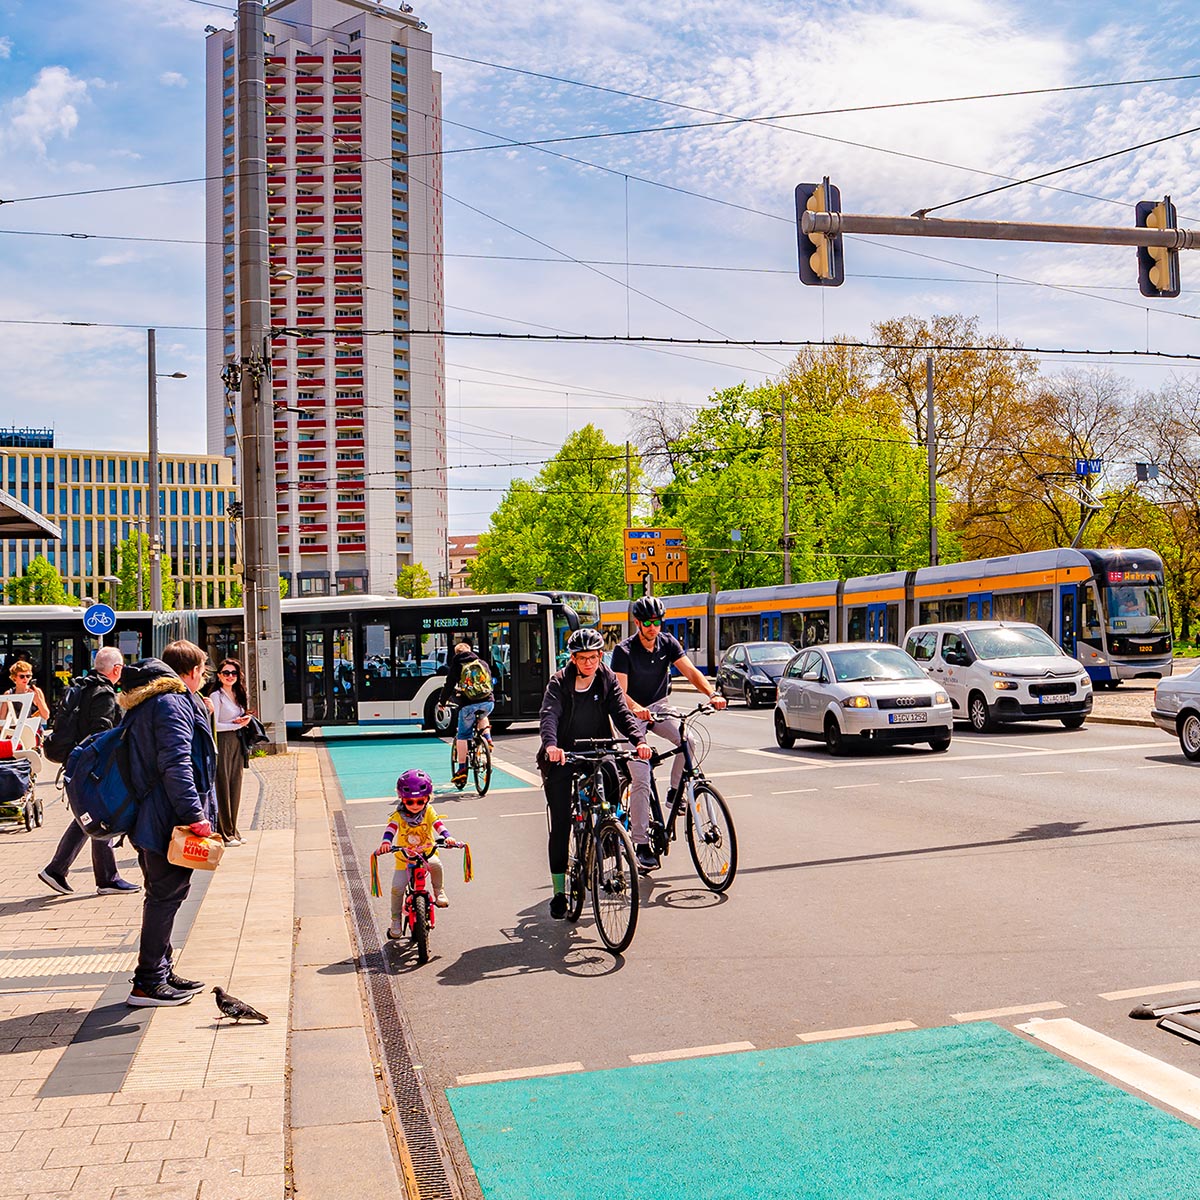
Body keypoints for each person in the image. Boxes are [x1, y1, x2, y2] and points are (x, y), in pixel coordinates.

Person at [120, 641, 218, 1007]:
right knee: (165, 896)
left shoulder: (149, 701)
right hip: (166, 817)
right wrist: (196, 816)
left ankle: (161, 969)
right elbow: (176, 765)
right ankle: (147, 982)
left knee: (165, 894)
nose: (204, 677)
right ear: (191, 671)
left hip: (151, 812)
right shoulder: (172, 704)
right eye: (204, 670)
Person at [538, 627, 652, 920]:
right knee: (562, 822)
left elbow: (622, 713)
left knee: (612, 790)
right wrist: (551, 746)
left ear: (601, 656)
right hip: (564, 756)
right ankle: (560, 892)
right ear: (573, 658)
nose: (589, 663)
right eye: (583, 658)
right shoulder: (559, 682)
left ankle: (607, 834)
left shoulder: (607, 678)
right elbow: (549, 715)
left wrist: (639, 740)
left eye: (594, 657)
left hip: (599, 750)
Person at [611, 595, 726, 871]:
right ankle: (640, 844)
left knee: (689, 741)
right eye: (647, 623)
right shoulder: (624, 651)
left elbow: (690, 671)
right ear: (637, 623)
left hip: (659, 706)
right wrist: (637, 709)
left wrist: (712, 693)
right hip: (630, 714)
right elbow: (620, 693)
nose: (653, 627)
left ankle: (675, 793)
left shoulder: (668, 643)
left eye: (657, 622)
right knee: (641, 777)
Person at [37, 646, 140, 897]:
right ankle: (104, 878)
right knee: (100, 814)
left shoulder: (83, 686)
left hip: (77, 761)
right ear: (116, 669)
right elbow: (101, 734)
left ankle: (59, 870)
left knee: (87, 816)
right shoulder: (104, 693)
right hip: (92, 766)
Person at [377, 769, 461, 934]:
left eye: (420, 801)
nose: (415, 805)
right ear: (402, 799)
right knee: (397, 888)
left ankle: (439, 891)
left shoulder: (428, 811)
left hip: (427, 854)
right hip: (405, 859)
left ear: (428, 798)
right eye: (410, 802)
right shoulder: (398, 815)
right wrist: (386, 842)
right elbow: (391, 829)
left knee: (436, 865)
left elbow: (438, 824)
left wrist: (448, 837)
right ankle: (395, 920)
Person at [206, 657, 252, 846]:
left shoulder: (239, 693)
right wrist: (234, 726)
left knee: (236, 785)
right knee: (223, 785)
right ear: (219, 676)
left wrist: (245, 720)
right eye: (226, 673)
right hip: (223, 741)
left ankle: (234, 830)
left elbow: (240, 717)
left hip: (237, 742)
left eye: (233, 673)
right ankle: (224, 833)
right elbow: (214, 725)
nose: (230, 676)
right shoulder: (216, 696)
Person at [438, 641, 494, 788]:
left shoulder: (457, 665)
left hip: (468, 705)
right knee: (482, 715)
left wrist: (442, 703)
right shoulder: (481, 663)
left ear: (457, 653)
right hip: (488, 702)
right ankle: (487, 739)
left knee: (463, 736)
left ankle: (462, 769)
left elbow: (449, 685)